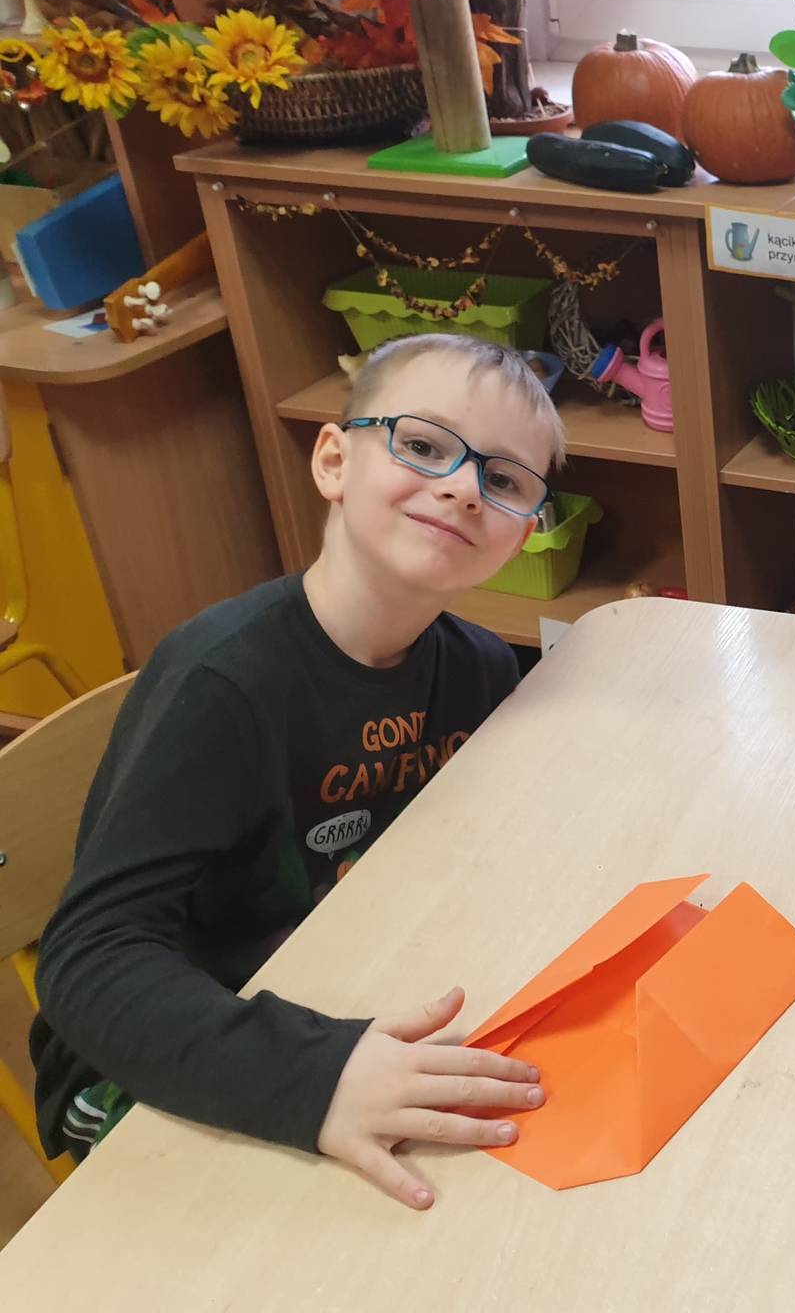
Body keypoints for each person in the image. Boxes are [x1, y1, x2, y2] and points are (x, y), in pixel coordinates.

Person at [32, 333, 568, 1211]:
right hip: (156, 1057)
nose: (464, 487)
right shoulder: (223, 682)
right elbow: (86, 966)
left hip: (352, 990)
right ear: (333, 462)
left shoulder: (481, 669)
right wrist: (319, 1077)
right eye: (423, 444)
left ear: (521, 535)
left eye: (506, 481)